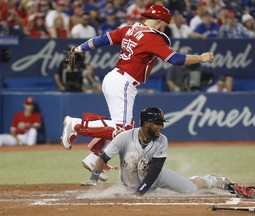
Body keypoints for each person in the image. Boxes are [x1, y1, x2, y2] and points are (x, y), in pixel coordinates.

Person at [61, 4, 214, 177]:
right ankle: (75, 125)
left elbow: (102, 39)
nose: (164, 28)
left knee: (126, 129)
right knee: (122, 130)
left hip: (115, 78)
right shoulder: (152, 37)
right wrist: (201, 57)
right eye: (164, 25)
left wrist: (80, 48)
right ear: (158, 22)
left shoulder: (129, 29)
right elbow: (175, 59)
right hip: (124, 82)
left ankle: (94, 157)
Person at [80, 107, 255, 199]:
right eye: (157, 123)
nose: (160, 126)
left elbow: (155, 171)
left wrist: (139, 193)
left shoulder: (162, 140)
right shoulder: (124, 137)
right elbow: (102, 158)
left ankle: (215, 180)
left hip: (156, 177)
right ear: (146, 123)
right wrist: (93, 179)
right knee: (133, 165)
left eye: (161, 123)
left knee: (191, 190)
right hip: (132, 180)